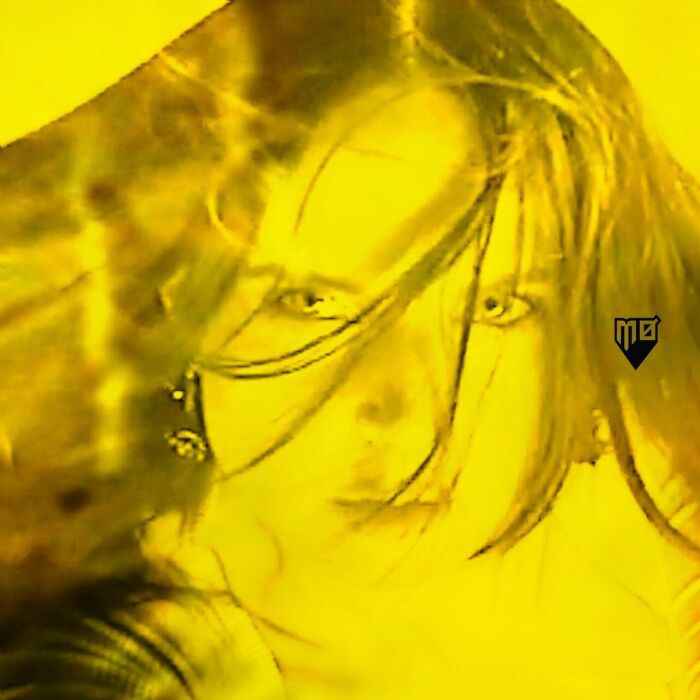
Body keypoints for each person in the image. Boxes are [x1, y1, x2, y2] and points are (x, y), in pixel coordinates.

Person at [0, 0, 699, 697]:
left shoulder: (644, 616)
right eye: (311, 304)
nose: (411, 410)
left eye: (496, 307)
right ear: (180, 298)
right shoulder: (118, 668)